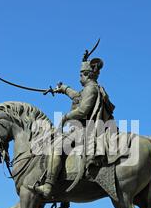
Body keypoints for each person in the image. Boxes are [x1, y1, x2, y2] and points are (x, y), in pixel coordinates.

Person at [34, 57, 115, 198]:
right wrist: (63, 89)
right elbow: (77, 96)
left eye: (81, 74)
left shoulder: (91, 89)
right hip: (83, 128)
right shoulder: (89, 89)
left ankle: (48, 185)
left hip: (85, 130)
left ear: (87, 75)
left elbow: (82, 110)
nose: (79, 77)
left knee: (56, 147)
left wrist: (66, 117)